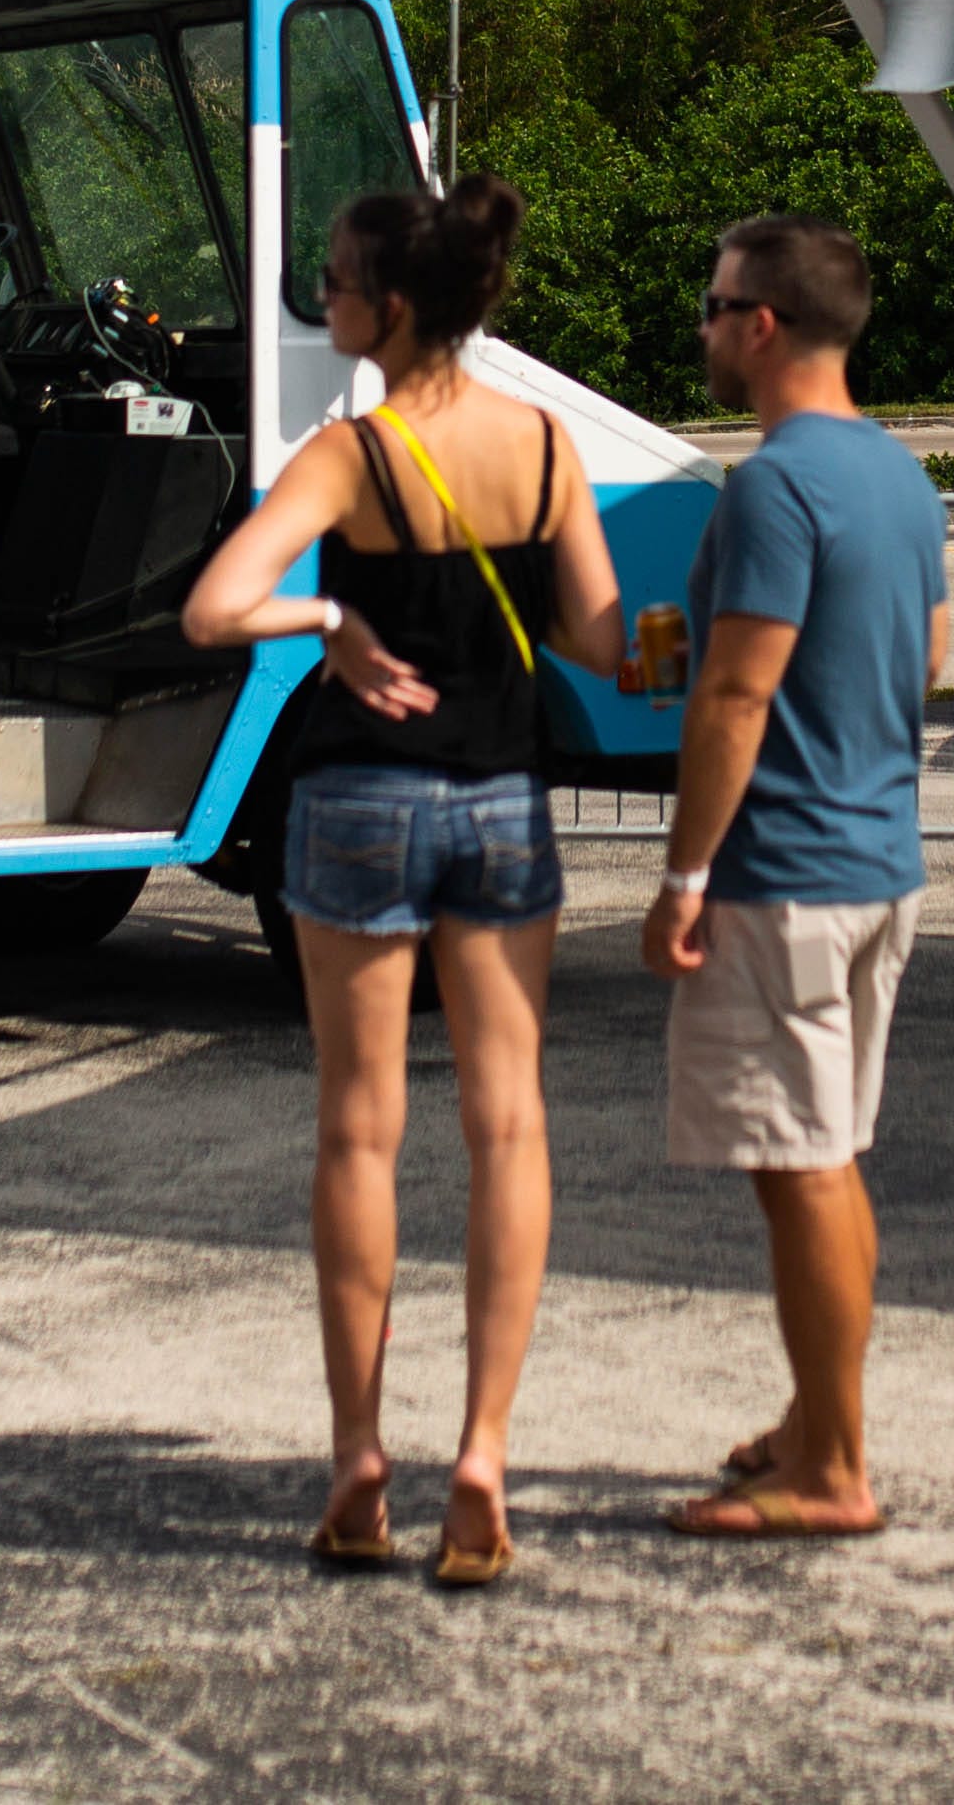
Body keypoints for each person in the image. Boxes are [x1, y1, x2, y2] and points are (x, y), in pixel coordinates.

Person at [175, 178, 624, 1587]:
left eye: (340, 278)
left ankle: (361, 1455)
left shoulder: (348, 455)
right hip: (499, 804)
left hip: (358, 800)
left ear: (393, 309)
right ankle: (482, 1454)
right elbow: (606, 645)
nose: (326, 295)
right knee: (508, 1124)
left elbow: (210, 607)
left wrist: (328, 616)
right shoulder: (545, 445)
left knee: (357, 1132)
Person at [644, 212, 949, 1545]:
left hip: (786, 874)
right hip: (880, 859)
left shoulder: (773, 484)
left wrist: (683, 872)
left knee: (803, 1168)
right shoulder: (899, 476)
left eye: (716, 306)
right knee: (833, 1159)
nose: (705, 327)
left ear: (762, 323)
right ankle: (819, 1420)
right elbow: (916, 659)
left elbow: (738, 691)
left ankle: (832, 1469)